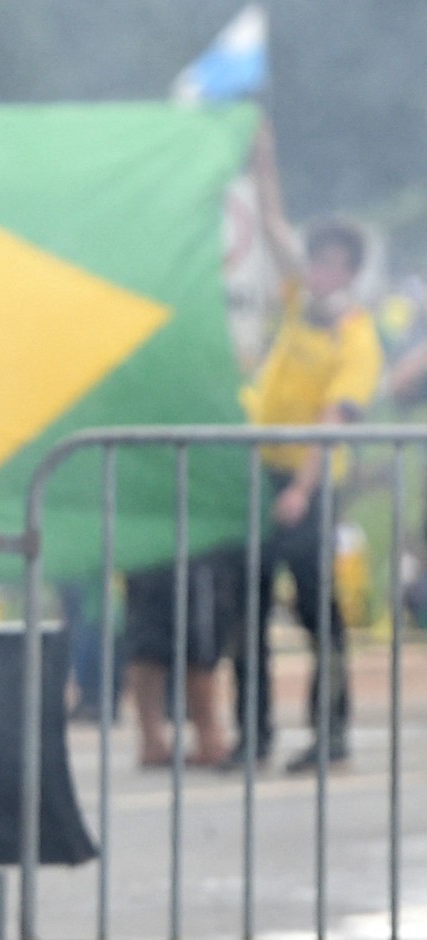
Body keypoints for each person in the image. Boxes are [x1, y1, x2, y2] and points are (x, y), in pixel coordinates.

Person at [228, 122, 384, 772]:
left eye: (328, 264)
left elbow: (333, 416)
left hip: (311, 484)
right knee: (249, 612)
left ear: (347, 272)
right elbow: (273, 226)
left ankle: (331, 732)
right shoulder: (298, 306)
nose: (315, 271)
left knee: (320, 617)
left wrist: (301, 488)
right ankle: (254, 732)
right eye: (313, 261)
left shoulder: (357, 337)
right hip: (264, 472)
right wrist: (265, 161)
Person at [122, 552, 241, 768]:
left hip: (150, 544)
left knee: (149, 643)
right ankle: (206, 738)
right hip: (193, 546)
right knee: (194, 643)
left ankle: (155, 741)